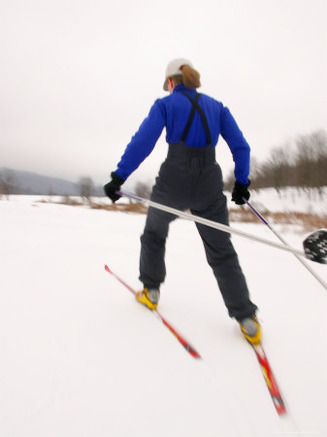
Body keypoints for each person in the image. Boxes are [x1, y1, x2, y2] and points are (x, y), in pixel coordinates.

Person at [104, 58, 261, 345]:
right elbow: (241, 146)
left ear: (172, 82)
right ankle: (246, 318)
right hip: (209, 182)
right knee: (221, 250)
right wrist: (242, 182)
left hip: (173, 180)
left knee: (154, 233)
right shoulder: (217, 106)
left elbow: (143, 141)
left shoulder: (165, 105)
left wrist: (119, 177)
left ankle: (151, 291)